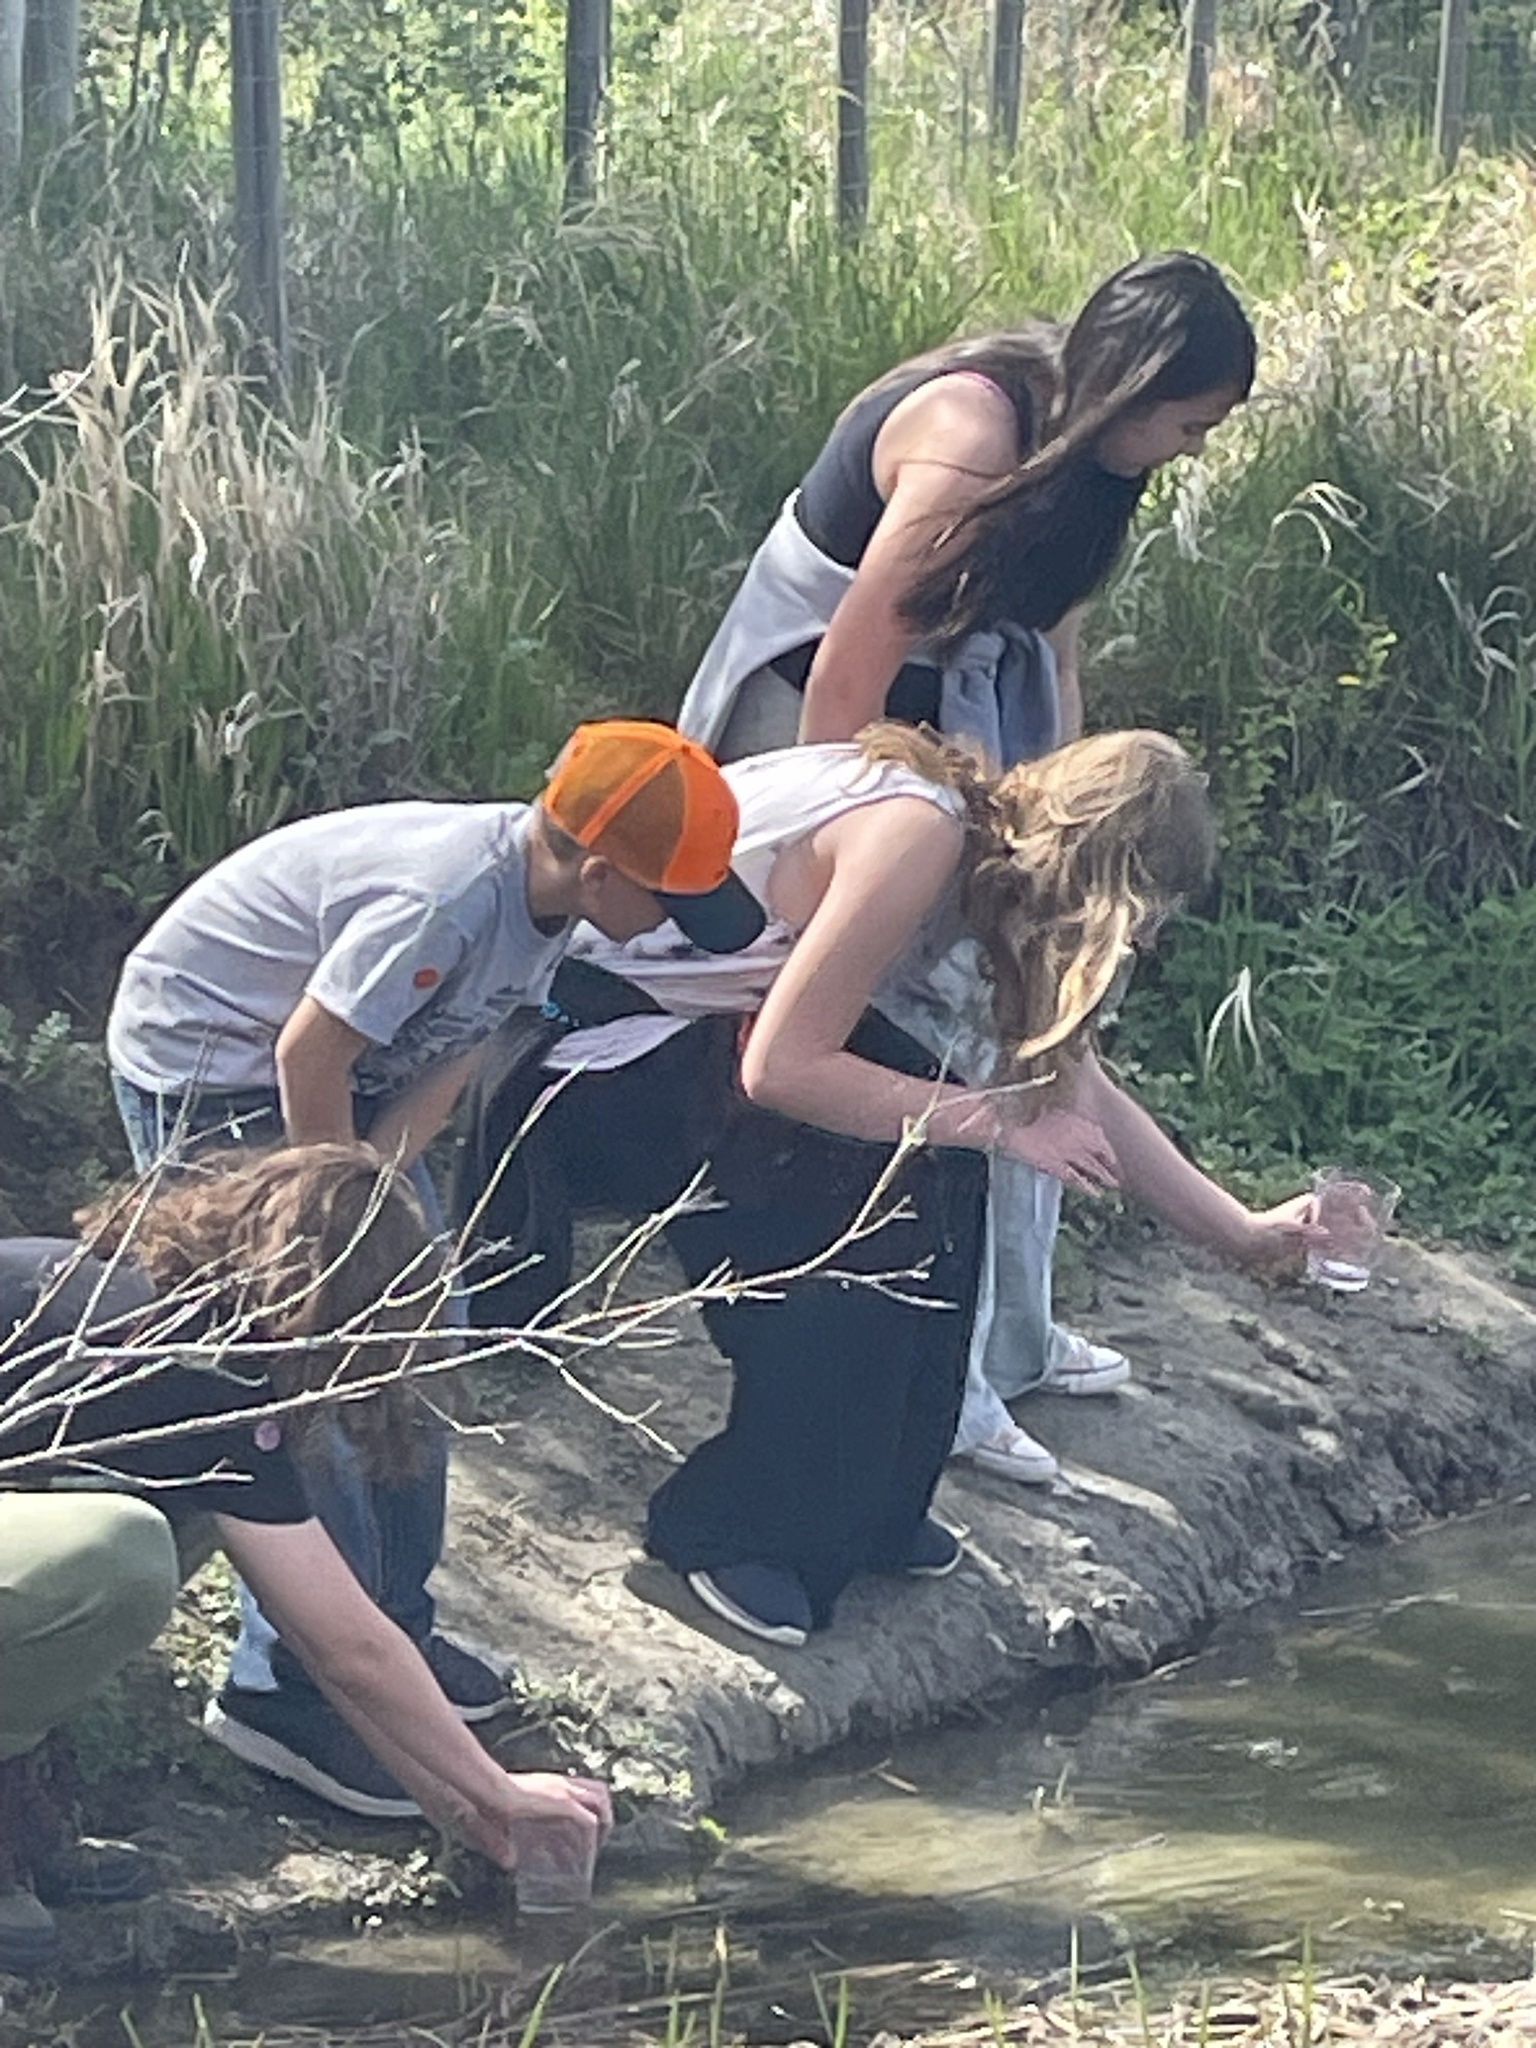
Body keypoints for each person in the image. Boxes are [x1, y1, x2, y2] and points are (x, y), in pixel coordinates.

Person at [457, 727, 1318, 1648]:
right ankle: (736, 1530)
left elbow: (1075, 1088)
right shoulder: (918, 832)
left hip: (691, 1033)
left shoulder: (988, 870)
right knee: (849, 1180)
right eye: (1141, 915)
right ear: (1094, 875)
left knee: (939, 1156)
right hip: (564, 1050)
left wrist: (1241, 1232)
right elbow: (784, 1070)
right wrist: (997, 1123)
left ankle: (873, 1503)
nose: (1142, 942)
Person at [104, 721, 763, 1812]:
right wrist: (336, 1231)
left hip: (351, 1081)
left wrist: (395, 1229)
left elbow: (453, 1054)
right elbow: (305, 1053)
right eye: (671, 905)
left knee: (425, 1314)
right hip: (209, 1064)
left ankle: (394, 1622)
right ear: (601, 871)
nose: (674, 930)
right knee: (307, 1350)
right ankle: (288, 1687)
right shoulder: (446, 896)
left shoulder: (552, 907)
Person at [677, 252, 1258, 1477]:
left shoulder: (1090, 454)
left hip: (957, 708)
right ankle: (948, 1377)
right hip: (824, 720)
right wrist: (879, 859)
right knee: (930, 1026)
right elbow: (848, 669)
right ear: (1137, 388)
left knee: (1036, 990)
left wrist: (1065, 807)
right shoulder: (970, 435)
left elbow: (1053, 636)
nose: (1193, 449)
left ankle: (1015, 1335)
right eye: (1192, 424)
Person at [0, 1145, 612, 1976]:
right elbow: (348, 1648)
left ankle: (21, 1805)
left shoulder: (159, 1306)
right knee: (117, 1552)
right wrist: (502, 1791)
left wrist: (461, 1809)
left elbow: (330, 1631)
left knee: (183, 1523)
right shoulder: (193, 1369)